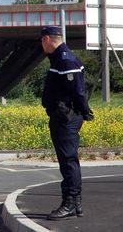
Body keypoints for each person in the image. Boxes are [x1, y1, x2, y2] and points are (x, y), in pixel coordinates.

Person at [40, 26, 94, 220]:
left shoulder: (65, 60)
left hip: (66, 117)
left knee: (68, 160)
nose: (41, 46)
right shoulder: (60, 58)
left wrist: (85, 111)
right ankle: (76, 203)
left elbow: (77, 91)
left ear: (47, 39)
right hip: (63, 116)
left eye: (41, 41)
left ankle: (70, 203)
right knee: (68, 160)